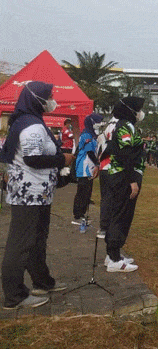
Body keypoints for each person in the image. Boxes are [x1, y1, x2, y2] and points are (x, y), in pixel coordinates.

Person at [1, 81, 74, 309]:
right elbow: (33, 159)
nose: (54, 100)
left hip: (37, 194)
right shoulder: (31, 126)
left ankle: (42, 281)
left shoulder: (29, 121)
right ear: (37, 99)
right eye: (50, 96)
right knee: (21, 244)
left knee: (36, 241)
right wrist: (62, 159)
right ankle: (14, 295)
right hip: (29, 194)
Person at [99, 97, 146, 273]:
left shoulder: (124, 125)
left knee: (120, 213)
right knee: (121, 215)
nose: (141, 112)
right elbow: (124, 154)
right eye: (139, 109)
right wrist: (132, 180)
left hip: (120, 175)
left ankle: (113, 253)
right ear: (131, 110)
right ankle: (114, 258)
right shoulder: (125, 126)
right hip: (122, 177)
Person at [72, 112, 104, 227]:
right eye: (97, 122)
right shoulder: (86, 135)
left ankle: (83, 213)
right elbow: (89, 152)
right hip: (84, 166)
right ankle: (77, 214)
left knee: (87, 192)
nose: (99, 124)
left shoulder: (92, 135)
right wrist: (97, 163)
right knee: (82, 191)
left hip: (89, 167)